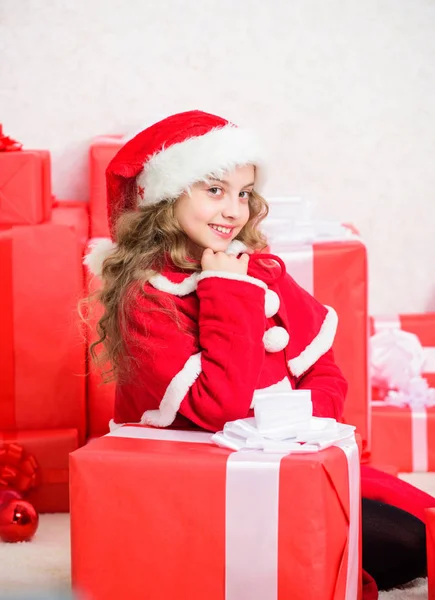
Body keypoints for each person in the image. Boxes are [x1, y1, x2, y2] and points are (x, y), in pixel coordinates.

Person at [84, 110, 432, 599]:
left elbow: (325, 372)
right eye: (214, 190)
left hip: (287, 458)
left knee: (419, 514)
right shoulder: (150, 297)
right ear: (166, 196)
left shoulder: (260, 268)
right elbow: (217, 408)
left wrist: (297, 430)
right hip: (208, 485)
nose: (233, 210)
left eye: (243, 193)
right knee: (402, 543)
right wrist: (225, 289)